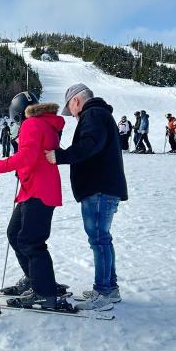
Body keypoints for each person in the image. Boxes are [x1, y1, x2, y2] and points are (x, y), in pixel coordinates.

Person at [46, 83, 128, 311]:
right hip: (102, 187)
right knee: (103, 238)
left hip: (99, 188)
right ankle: (109, 288)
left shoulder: (92, 114)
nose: (71, 114)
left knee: (99, 239)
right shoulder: (99, 114)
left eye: (70, 109)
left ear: (76, 101)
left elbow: (89, 145)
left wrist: (59, 156)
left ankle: (103, 292)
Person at [0, 91, 70, 311]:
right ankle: (35, 279)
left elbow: (28, 156)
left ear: (18, 115)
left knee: (31, 241)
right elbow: (35, 155)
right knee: (15, 234)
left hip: (39, 191)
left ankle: (44, 292)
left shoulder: (32, 124)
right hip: (32, 189)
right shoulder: (43, 123)